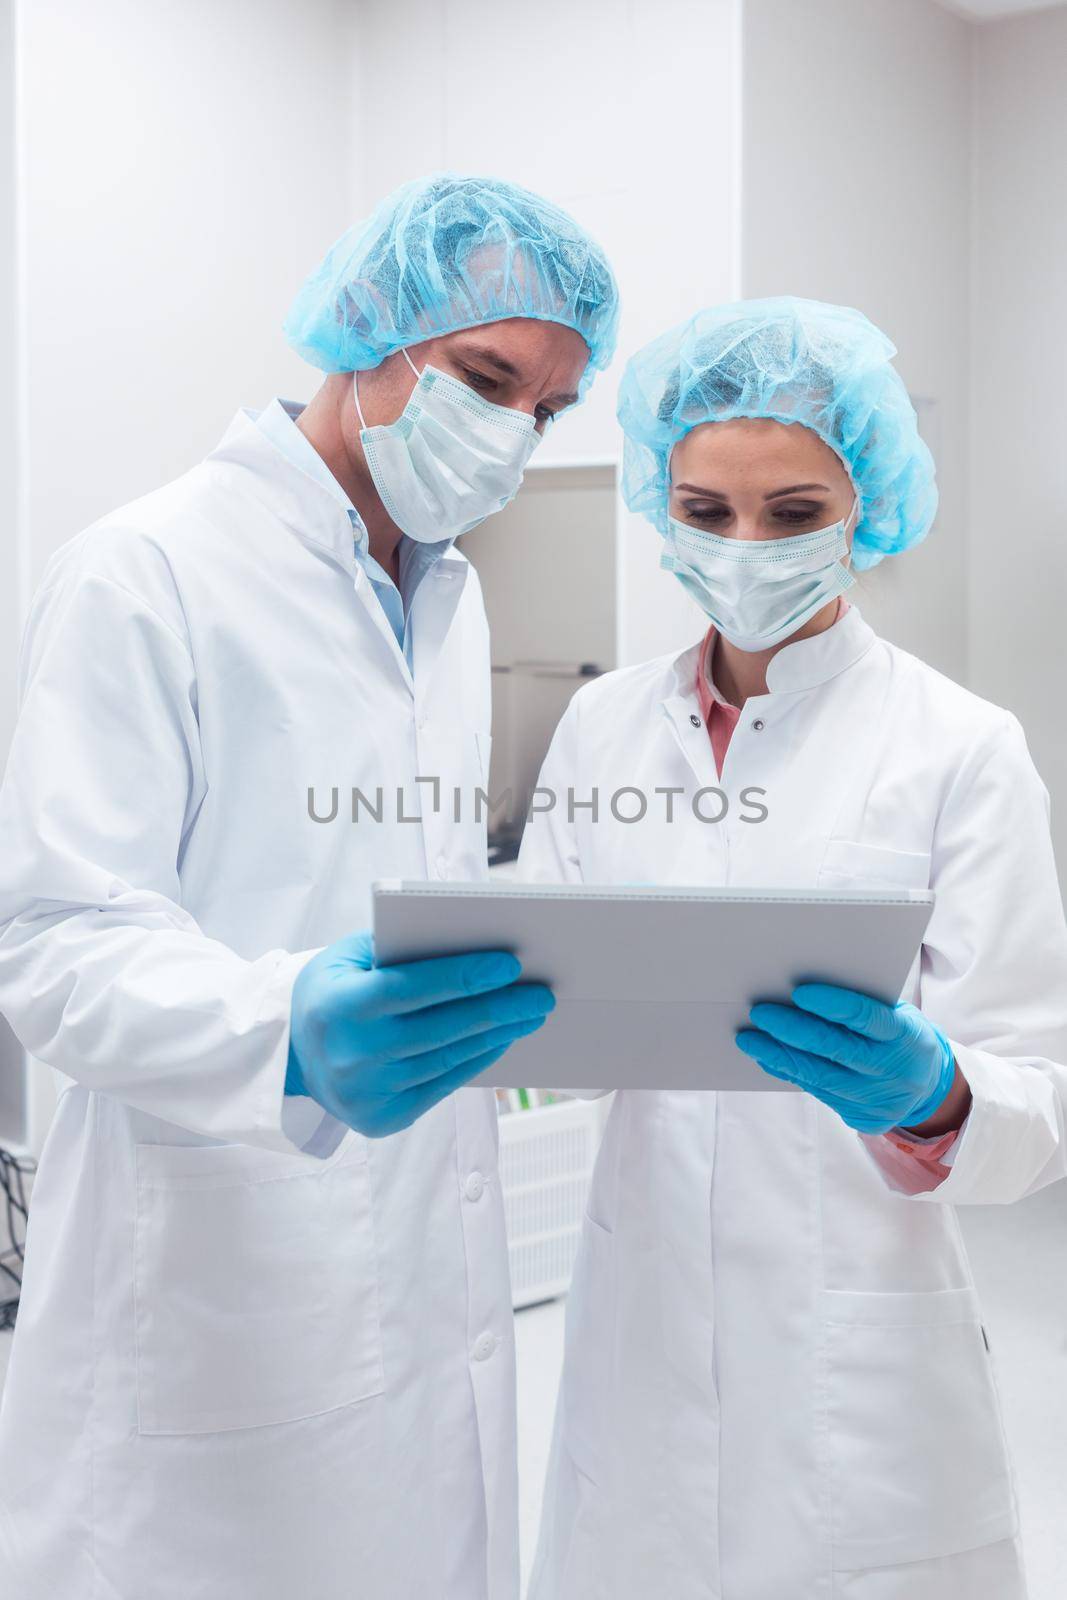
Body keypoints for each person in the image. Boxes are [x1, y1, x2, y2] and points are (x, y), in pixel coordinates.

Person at [0, 173, 618, 1600]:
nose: (513, 435)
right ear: (369, 331)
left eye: (548, 410)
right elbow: (51, 941)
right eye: (485, 378)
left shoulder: (451, 600)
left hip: (415, 1266)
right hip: (214, 1272)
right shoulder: (144, 573)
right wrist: (287, 1028)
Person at [518, 297, 1067, 1600]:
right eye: (706, 512)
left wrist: (939, 1096)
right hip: (639, 1320)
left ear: (867, 506)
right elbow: (550, 998)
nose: (747, 546)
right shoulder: (601, 729)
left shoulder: (959, 748)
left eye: (793, 511)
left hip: (858, 1335)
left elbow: (1036, 1098)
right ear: (662, 507)